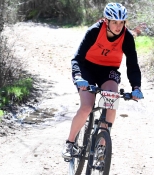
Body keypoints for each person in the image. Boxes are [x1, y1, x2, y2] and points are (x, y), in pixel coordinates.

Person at [62, 2, 144, 159]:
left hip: (108, 71)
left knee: (111, 102)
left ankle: (101, 146)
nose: (118, 26)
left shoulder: (126, 37)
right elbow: (77, 58)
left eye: (121, 22)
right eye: (114, 22)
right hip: (87, 68)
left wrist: (136, 87)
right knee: (87, 107)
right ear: (106, 21)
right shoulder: (94, 31)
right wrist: (78, 77)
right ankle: (70, 143)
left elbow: (132, 64)